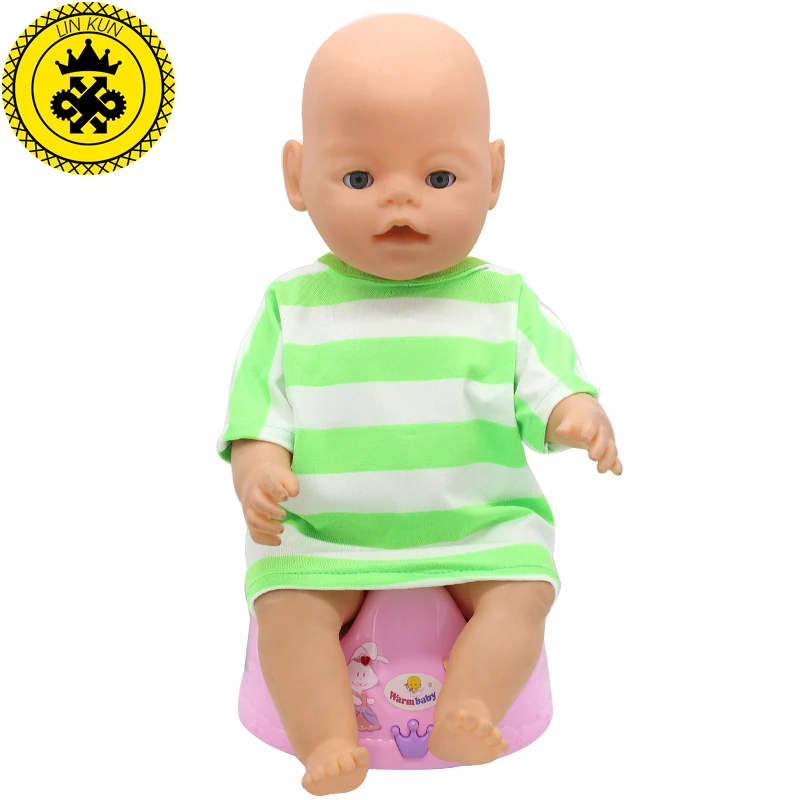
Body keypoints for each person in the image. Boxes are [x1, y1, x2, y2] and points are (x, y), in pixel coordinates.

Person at [218, 12, 622, 796]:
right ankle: (326, 740)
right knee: (289, 610)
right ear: (297, 177)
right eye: (359, 179)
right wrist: (258, 474)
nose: (401, 200)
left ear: (493, 176)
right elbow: (256, 418)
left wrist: (576, 416)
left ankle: (470, 707)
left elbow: (553, 384)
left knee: (522, 594)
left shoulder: (504, 302)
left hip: (479, 526)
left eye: (439, 179)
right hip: (326, 534)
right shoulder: (290, 306)